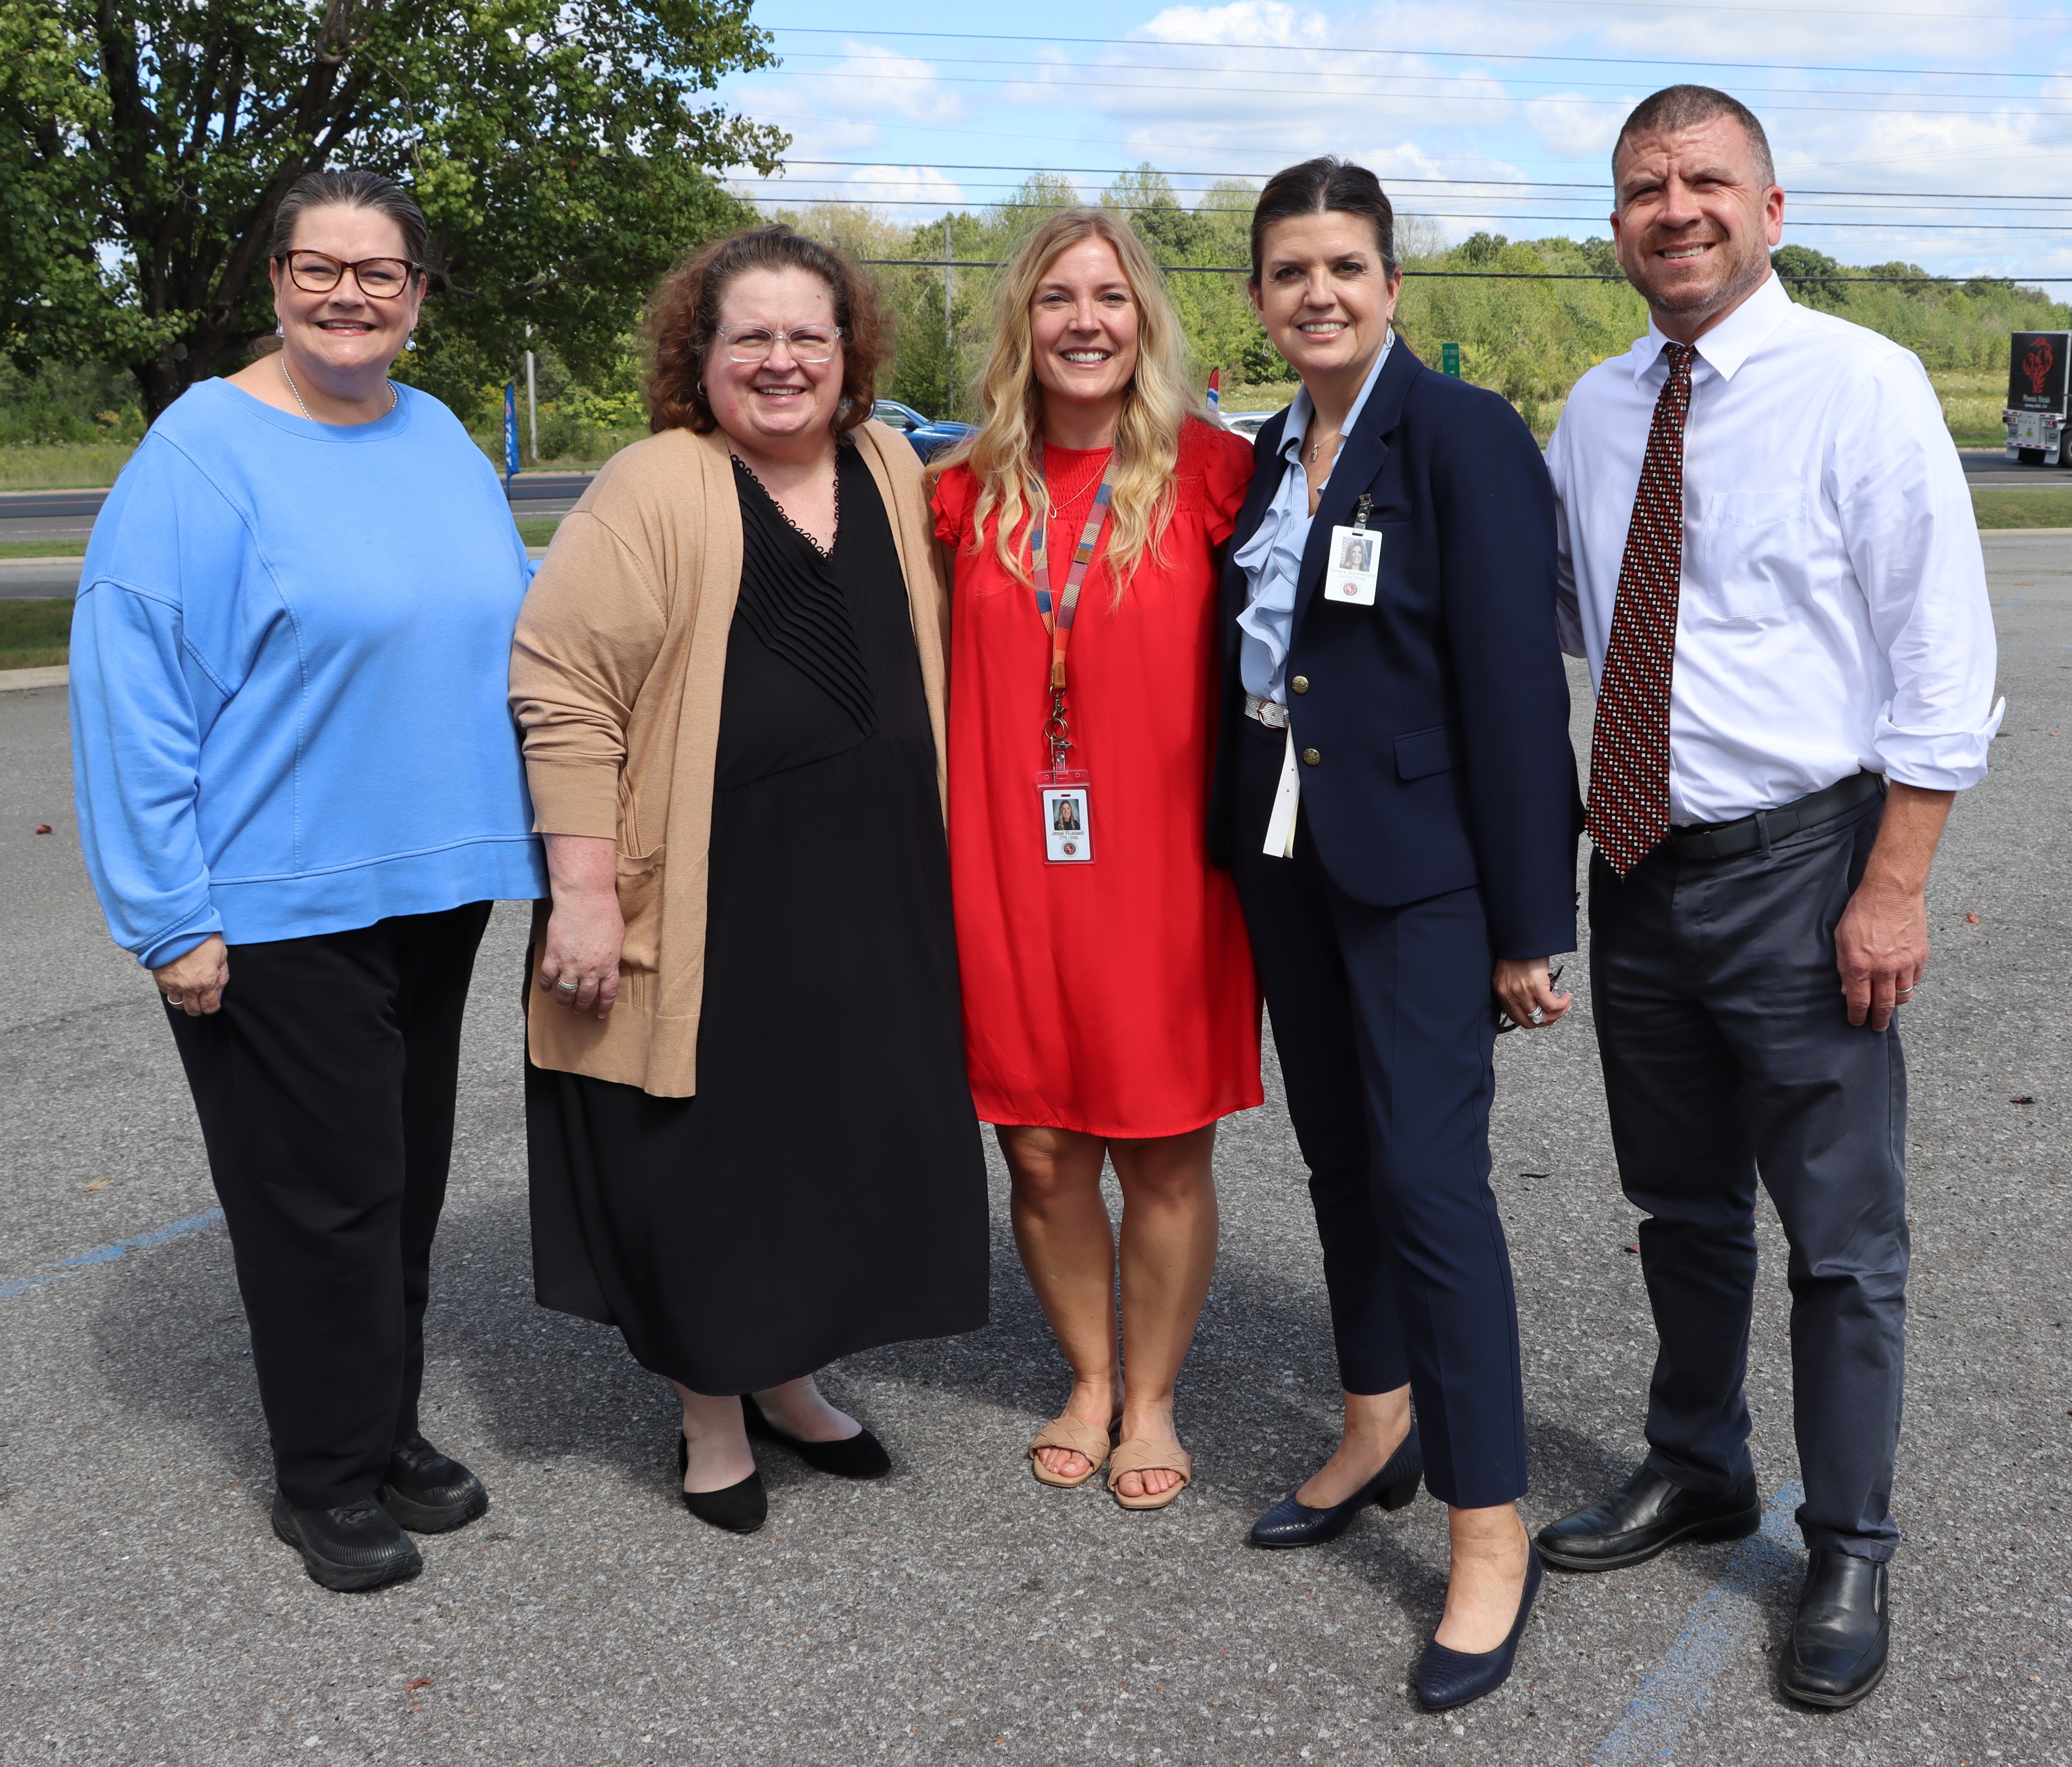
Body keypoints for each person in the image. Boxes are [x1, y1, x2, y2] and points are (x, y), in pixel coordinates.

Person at [1536, 87, 2001, 1711]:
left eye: (1703, 181)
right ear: (1616, 223)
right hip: (1641, 876)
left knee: (1836, 1239)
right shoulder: (1588, 414)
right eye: (1643, 188)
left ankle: (1850, 1535)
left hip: (1807, 869)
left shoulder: (1859, 388)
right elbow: (1542, 626)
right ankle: (1698, 1463)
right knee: (1675, 1210)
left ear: (1769, 207)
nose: (1674, 209)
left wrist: (1893, 885)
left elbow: (1945, 655)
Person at [69, 170, 548, 1593]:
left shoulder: (441, 431)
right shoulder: (200, 454)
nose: (351, 293)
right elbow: (130, 688)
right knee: (318, 1198)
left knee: (395, 1182)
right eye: (319, 266)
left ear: (418, 293)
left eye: (382, 271)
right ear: (275, 278)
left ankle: (382, 1425)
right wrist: (172, 915)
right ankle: (324, 1475)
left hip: (435, 882)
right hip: (276, 902)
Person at [511, 226, 988, 1537]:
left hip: (875, 881)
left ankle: (788, 1377)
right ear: (699, 357)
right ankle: (710, 1409)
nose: (782, 361)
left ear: (851, 356)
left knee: (825, 1145)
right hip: (713, 889)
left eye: (808, 337)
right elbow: (563, 691)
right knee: (711, 1158)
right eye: (751, 339)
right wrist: (586, 890)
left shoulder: (889, 463)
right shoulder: (656, 484)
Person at [1208, 158, 1581, 1709]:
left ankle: (1489, 1528)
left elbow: (1512, 686)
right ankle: (1377, 1418)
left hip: (1425, 873)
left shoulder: (1465, 436)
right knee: (1341, 1158)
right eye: (1290, 271)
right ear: (1259, 297)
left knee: (1432, 1182)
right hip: (1287, 852)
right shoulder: (1259, 454)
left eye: (1345, 267)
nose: (1319, 295)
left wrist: (1525, 926)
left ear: (1392, 284)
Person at [932, 210, 1260, 1510]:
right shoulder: (955, 495)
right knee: (1044, 1149)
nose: (1084, 322)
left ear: (1146, 322)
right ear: (1022, 322)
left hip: (1169, 872)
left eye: (1110, 299)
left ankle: (1157, 1395)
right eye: (1058, 298)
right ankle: (1085, 1375)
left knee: (1166, 1148)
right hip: (1009, 866)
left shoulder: (1218, 478)